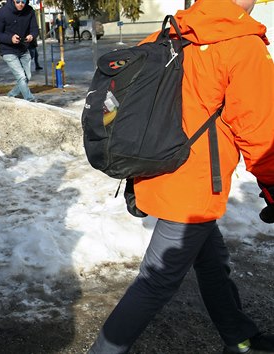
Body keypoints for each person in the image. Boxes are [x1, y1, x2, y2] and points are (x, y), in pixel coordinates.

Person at [89, 1, 274, 353]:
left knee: (212, 261)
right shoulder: (241, 43)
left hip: (158, 168)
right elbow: (262, 132)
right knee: (155, 280)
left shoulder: (171, 31)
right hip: (196, 184)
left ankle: (239, 337)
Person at [0, 0, 39, 102]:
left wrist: (32, 36)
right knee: (21, 77)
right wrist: (10, 39)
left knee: (27, 76)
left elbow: (35, 29)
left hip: (23, 48)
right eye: (18, 1)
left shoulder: (29, 11)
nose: (20, 4)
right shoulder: (3, 12)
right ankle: (30, 99)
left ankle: (10, 96)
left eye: (23, 2)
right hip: (8, 49)